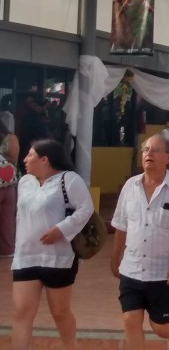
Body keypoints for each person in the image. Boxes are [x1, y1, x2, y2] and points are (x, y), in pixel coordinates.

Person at [111, 132, 169, 350]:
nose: (149, 154)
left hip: (163, 273)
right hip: (132, 268)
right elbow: (120, 225)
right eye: (146, 150)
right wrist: (115, 258)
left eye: (155, 150)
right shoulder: (130, 187)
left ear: (168, 157)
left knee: (160, 325)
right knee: (130, 320)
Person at [11, 139, 93, 350]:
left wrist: (61, 229)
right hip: (26, 256)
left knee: (60, 312)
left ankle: (70, 347)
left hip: (59, 258)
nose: (25, 160)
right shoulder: (25, 182)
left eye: (30, 155)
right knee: (21, 312)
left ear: (44, 159)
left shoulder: (69, 180)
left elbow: (86, 208)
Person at [0, 120, 21, 257]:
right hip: (9, 182)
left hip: (7, 182)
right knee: (6, 219)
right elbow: (13, 159)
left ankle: (7, 249)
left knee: (7, 218)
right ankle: (6, 250)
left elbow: (13, 158)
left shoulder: (10, 138)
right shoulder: (10, 138)